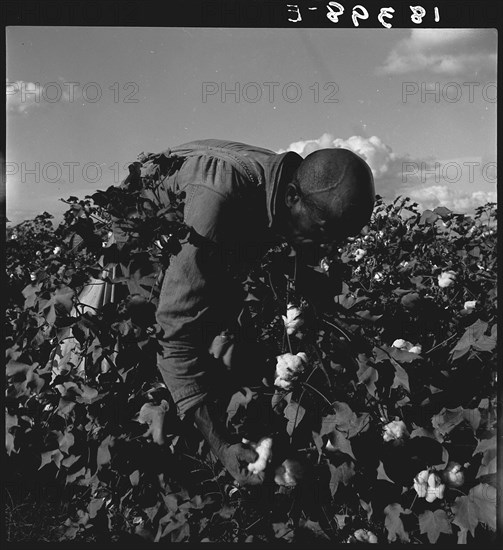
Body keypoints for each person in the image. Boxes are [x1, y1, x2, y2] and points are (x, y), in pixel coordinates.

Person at [141, 139, 375, 486]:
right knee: (144, 340)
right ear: (293, 197)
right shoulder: (219, 204)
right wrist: (221, 445)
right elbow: (173, 334)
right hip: (136, 235)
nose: (328, 247)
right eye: (324, 232)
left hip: (197, 225)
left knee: (222, 334)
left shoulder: (285, 189)